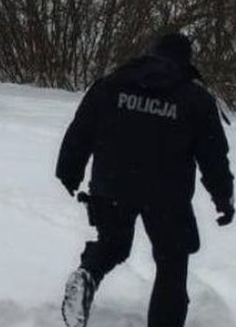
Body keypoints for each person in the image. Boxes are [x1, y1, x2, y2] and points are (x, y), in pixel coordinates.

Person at [56, 33, 232, 327]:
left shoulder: (111, 85)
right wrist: (223, 197)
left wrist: (69, 172)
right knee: (172, 262)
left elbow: (81, 131)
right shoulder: (195, 99)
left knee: (112, 245)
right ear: (185, 61)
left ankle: (88, 273)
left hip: (111, 185)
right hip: (167, 196)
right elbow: (213, 155)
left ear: (151, 53)